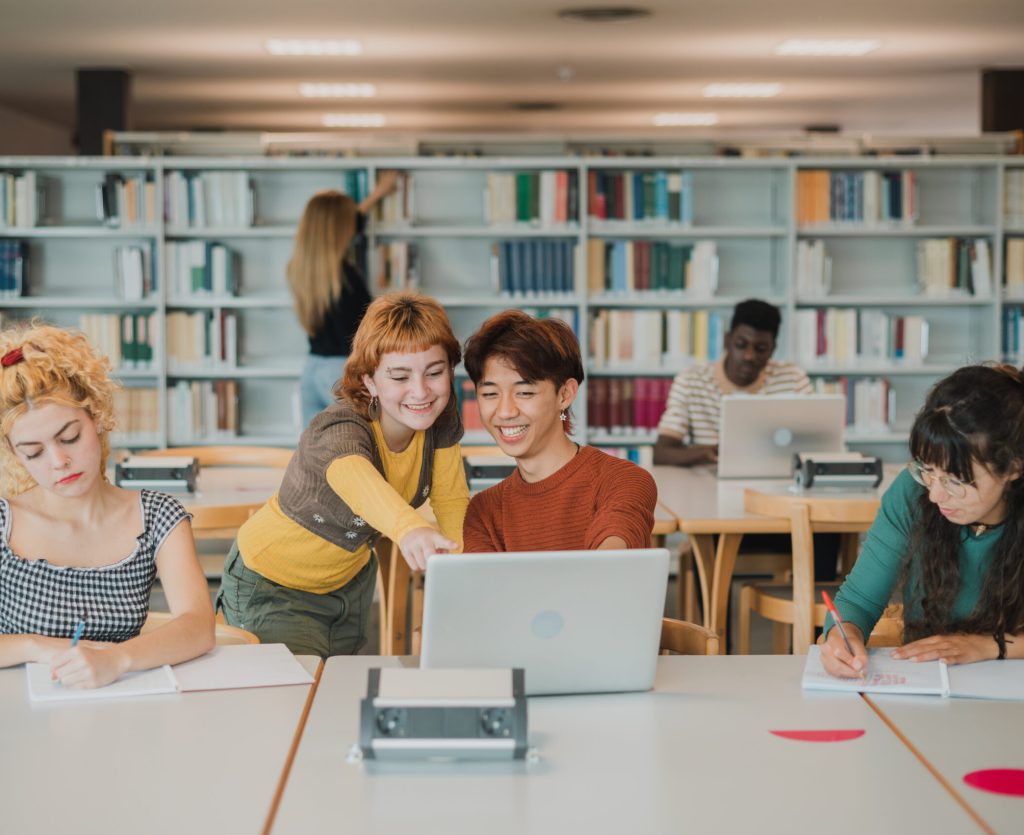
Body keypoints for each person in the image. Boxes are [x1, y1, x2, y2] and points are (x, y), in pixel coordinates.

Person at [218, 292, 469, 656]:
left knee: (337, 696)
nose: (421, 391)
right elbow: (353, 474)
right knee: (294, 700)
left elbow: (450, 498)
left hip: (349, 584)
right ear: (369, 381)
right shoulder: (339, 427)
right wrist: (409, 528)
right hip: (270, 582)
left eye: (435, 372)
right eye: (400, 376)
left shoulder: (439, 418)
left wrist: (461, 574)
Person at [0, 323, 214, 688]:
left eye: (69, 437)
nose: (58, 461)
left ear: (97, 417)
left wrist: (115, 659)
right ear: (14, 453)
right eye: (33, 452)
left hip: (119, 704)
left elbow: (197, 626)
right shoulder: (6, 521)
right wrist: (38, 647)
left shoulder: (158, 516)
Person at [822, 364, 1024, 678]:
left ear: (1013, 467)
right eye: (927, 470)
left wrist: (989, 646)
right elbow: (859, 600)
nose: (935, 496)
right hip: (930, 680)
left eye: (956, 481)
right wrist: (843, 635)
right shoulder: (913, 491)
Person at [462, 310, 656, 552]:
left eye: (524, 392)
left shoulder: (621, 481)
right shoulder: (483, 511)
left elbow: (610, 566)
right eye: (489, 394)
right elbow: (481, 588)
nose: (505, 412)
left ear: (564, 395)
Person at [289, 171, 399, 427]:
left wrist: (378, 194)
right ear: (341, 229)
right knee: (352, 448)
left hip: (312, 369)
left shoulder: (304, 271)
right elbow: (366, 332)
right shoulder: (346, 281)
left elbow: (356, 220)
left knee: (316, 452)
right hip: (341, 372)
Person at [653, 298, 812, 467]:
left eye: (761, 349)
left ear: (773, 349)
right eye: (741, 345)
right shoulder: (690, 381)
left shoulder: (793, 379)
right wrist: (707, 453)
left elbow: (816, 443)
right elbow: (661, 453)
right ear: (727, 340)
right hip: (707, 483)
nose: (749, 356)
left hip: (775, 482)